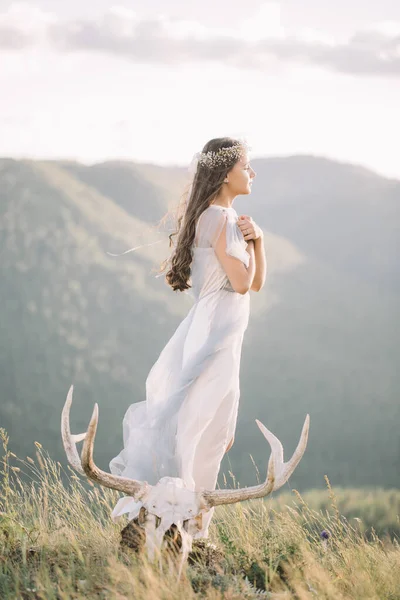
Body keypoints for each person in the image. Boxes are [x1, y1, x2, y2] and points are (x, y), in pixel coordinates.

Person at [109, 137, 267, 537]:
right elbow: (243, 283)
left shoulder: (212, 217)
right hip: (218, 332)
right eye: (246, 166)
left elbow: (255, 283)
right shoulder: (224, 219)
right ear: (226, 171)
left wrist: (258, 242)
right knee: (206, 429)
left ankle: (177, 518)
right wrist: (254, 240)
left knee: (201, 424)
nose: (252, 173)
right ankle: (187, 525)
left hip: (214, 329)